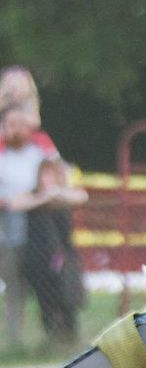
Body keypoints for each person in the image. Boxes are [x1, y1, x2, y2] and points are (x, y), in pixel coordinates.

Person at [0, 104, 75, 348]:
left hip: (41, 235)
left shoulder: (40, 149)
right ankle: (15, 340)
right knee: (13, 287)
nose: (15, 131)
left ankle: (56, 334)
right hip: (8, 233)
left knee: (48, 282)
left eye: (19, 125)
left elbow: (60, 175)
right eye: (10, 125)